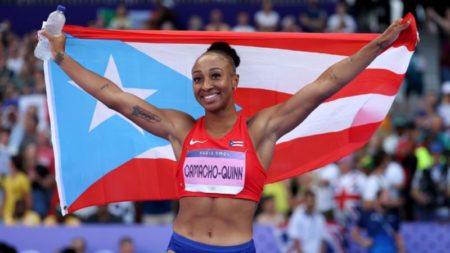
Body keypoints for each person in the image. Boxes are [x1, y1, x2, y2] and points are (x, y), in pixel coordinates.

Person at [40, 17, 410, 252]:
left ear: (234, 81)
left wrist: (378, 45)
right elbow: (114, 96)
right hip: (181, 246)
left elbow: (325, 85)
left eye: (215, 76)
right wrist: (61, 58)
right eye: (198, 79)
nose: (206, 85)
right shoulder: (181, 129)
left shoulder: (262, 130)